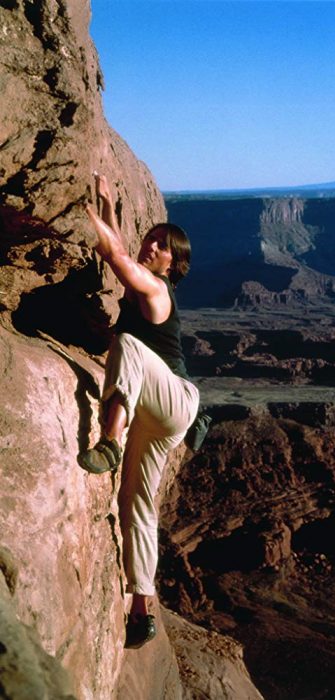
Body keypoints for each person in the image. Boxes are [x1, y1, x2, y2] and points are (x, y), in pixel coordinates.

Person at [78, 174, 199, 649]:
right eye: (151, 238)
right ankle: (141, 607)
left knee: (125, 343)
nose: (151, 246)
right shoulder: (144, 281)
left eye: (162, 245)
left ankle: (110, 440)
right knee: (136, 507)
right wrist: (108, 205)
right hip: (158, 413)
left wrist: (88, 216)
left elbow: (119, 257)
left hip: (173, 399)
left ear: (175, 262)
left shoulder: (156, 291)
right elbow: (126, 251)